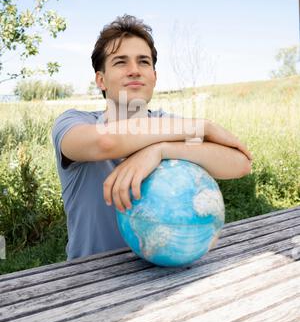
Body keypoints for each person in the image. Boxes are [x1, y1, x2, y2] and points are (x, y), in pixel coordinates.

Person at [52, 14, 252, 261]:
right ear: (100, 80)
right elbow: (105, 142)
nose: (134, 71)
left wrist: (161, 150)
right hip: (91, 278)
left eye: (143, 62)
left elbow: (241, 164)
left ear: (154, 77)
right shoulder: (74, 121)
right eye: (120, 62)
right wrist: (204, 127)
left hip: (164, 273)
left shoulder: (169, 125)